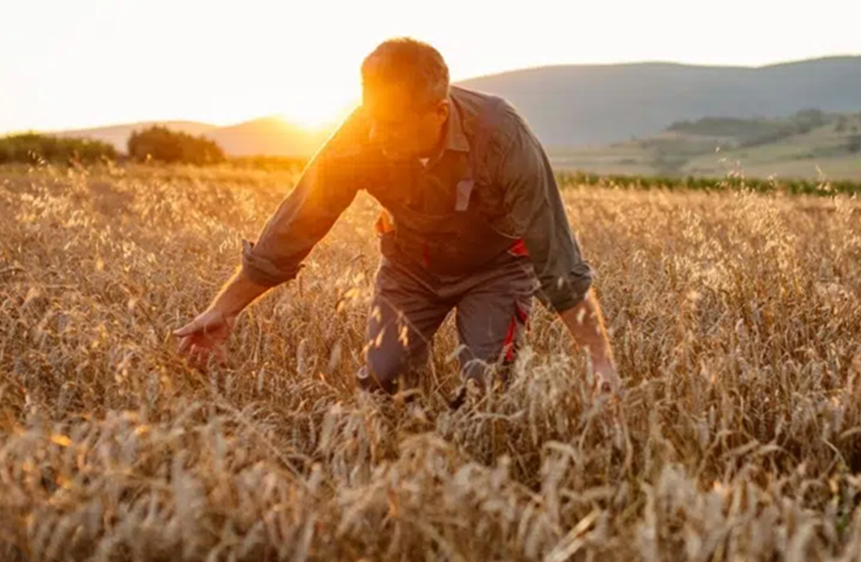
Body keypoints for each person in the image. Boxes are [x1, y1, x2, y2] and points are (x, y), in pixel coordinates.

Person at [173, 37, 621, 404]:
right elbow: (295, 227)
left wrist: (600, 361)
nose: (374, 135)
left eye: (390, 124)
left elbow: (557, 260)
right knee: (380, 388)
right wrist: (222, 309)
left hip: (495, 270)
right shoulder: (359, 135)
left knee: (487, 393)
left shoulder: (503, 137)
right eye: (370, 117)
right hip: (410, 267)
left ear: (438, 114)